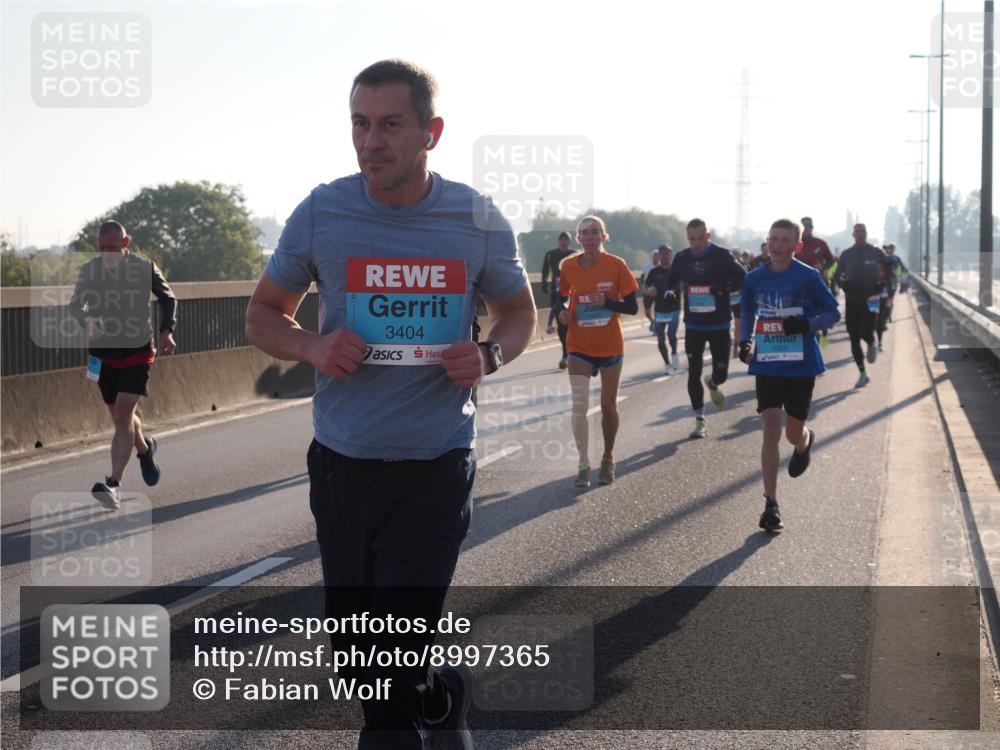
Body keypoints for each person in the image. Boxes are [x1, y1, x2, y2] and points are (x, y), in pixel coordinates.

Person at [245, 59, 536, 750]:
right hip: (343, 463)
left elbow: (520, 313)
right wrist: (313, 348)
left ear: (431, 132)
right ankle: (443, 695)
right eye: (359, 124)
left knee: (392, 660)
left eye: (389, 126)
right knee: (357, 658)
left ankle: (412, 711)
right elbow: (262, 314)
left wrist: (490, 354)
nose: (370, 142)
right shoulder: (324, 211)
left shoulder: (475, 218)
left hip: (435, 463)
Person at [738, 219, 840, 532]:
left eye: (785, 240)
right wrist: (745, 341)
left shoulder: (807, 276)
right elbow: (746, 313)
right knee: (770, 427)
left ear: (796, 246)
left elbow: (833, 312)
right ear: (766, 241)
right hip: (768, 362)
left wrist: (806, 324)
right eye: (773, 239)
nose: (777, 246)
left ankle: (804, 441)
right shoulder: (754, 278)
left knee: (791, 433)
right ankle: (771, 503)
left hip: (800, 364)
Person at [67, 220, 176, 510]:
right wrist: (87, 320)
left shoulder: (144, 268)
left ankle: (112, 483)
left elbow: (168, 298)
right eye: (102, 248)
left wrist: (167, 331)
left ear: (125, 243)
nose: (107, 253)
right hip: (103, 354)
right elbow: (75, 306)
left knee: (125, 412)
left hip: (138, 350)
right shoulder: (90, 270)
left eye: (112, 247)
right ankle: (144, 448)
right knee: (120, 417)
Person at [558, 215, 638, 487]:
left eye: (595, 232)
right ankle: (583, 463)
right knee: (579, 406)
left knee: (607, 406)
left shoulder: (616, 265)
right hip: (579, 345)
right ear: (578, 239)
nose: (589, 237)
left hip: (610, 346)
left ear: (603, 237)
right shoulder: (568, 266)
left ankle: (607, 457)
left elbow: (632, 308)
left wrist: (607, 302)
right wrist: (562, 313)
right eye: (584, 233)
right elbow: (564, 296)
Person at [665, 218, 746, 438]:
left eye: (700, 238)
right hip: (694, 325)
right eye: (692, 239)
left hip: (719, 323)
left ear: (708, 236)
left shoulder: (722, 255)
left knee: (721, 373)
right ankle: (699, 419)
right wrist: (670, 291)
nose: (696, 243)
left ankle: (714, 382)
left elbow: (742, 276)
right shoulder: (683, 257)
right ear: (687, 238)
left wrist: (725, 288)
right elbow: (671, 279)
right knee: (693, 371)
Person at [835, 224, 889, 387]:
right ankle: (863, 373)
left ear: (866, 234)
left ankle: (871, 342)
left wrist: (883, 283)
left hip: (872, 298)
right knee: (853, 336)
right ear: (853, 234)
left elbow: (890, 266)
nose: (860, 234)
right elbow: (837, 276)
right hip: (853, 300)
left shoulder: (875, 251)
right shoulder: (847, 254)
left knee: (867, 330)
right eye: (857, 232)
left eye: (863, 232)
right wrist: (844, 286)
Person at [795, 217, 837, 348]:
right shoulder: (795, 244)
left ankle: (823, 333)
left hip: (820, 281)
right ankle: (812, 337)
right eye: (804, 228)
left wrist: (824, 269)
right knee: (805, 312)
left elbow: (831, 260)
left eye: (808, 227)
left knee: (823, 309)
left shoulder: (820, 243)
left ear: (812, 228)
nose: (806, 230)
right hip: (801, 284)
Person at [540, 231, 576, 369]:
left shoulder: (575, 254)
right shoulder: (551, 254)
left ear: (570, 242)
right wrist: (544, 282)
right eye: (561, 239)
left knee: (574, 324)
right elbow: (545, 270)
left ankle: (576, 353)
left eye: (566, 239)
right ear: (558, 241)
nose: (563, 242)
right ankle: (566, 354)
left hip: (574, 293)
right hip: (557, 293)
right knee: (561, 325)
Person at [644, 245, 681, 374]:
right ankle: (667, 364)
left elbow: (686, 284)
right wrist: (649, 290)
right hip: (660, 309)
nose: (664, 256)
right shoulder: (654, 272)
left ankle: (675, 355)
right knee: (660, 338)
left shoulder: (676, 270)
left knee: (671, 335)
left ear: (671, 254)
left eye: (667, 253)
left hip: (674, 308)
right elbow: (646, 286)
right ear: (658, 255)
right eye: (662, 253)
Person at [639, 248, 661, 333]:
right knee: (647, 311)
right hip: (648, 290)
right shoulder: (646, 266)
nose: (656, 257)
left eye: (657, 255)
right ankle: (652, 321)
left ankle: (657, 327)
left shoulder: (661, 266)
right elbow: (642, 279)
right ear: (652, 257)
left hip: (659, 290)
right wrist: (643, 289)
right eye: (654, 255)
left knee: (658, 309)